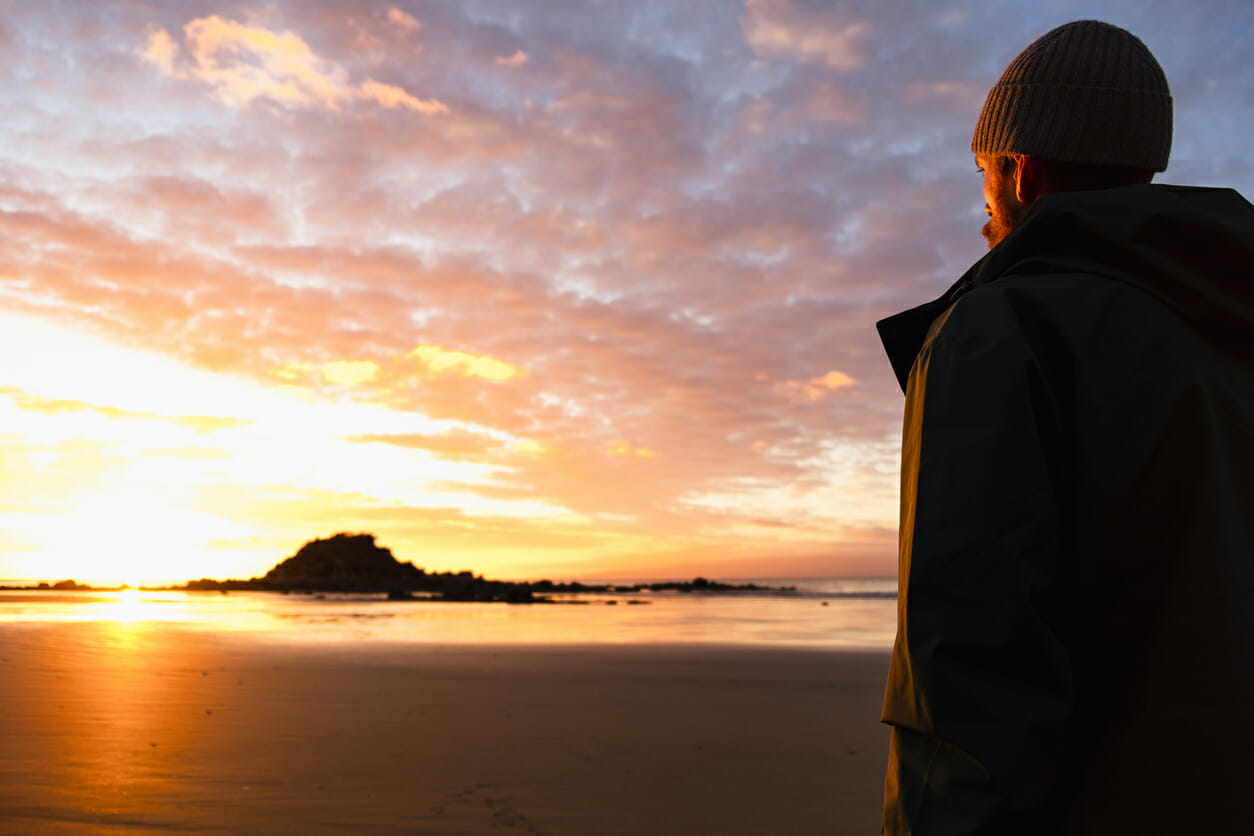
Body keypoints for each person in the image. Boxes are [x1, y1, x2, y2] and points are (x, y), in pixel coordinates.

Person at [876, 19, 1254, 834]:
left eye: (982, 170)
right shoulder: (1231, 327)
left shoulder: (1000, 331)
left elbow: (969, 679)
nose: (982, 197)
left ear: (1021, 170)